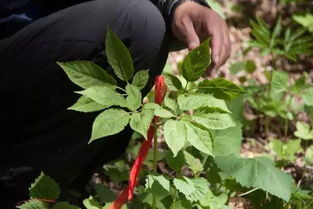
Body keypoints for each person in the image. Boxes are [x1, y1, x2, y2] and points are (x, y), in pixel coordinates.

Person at [0, 0, 231, 207]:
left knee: (143, 26)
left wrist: (178, 5)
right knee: (138, 22)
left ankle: (34, 189)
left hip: (32, 52)